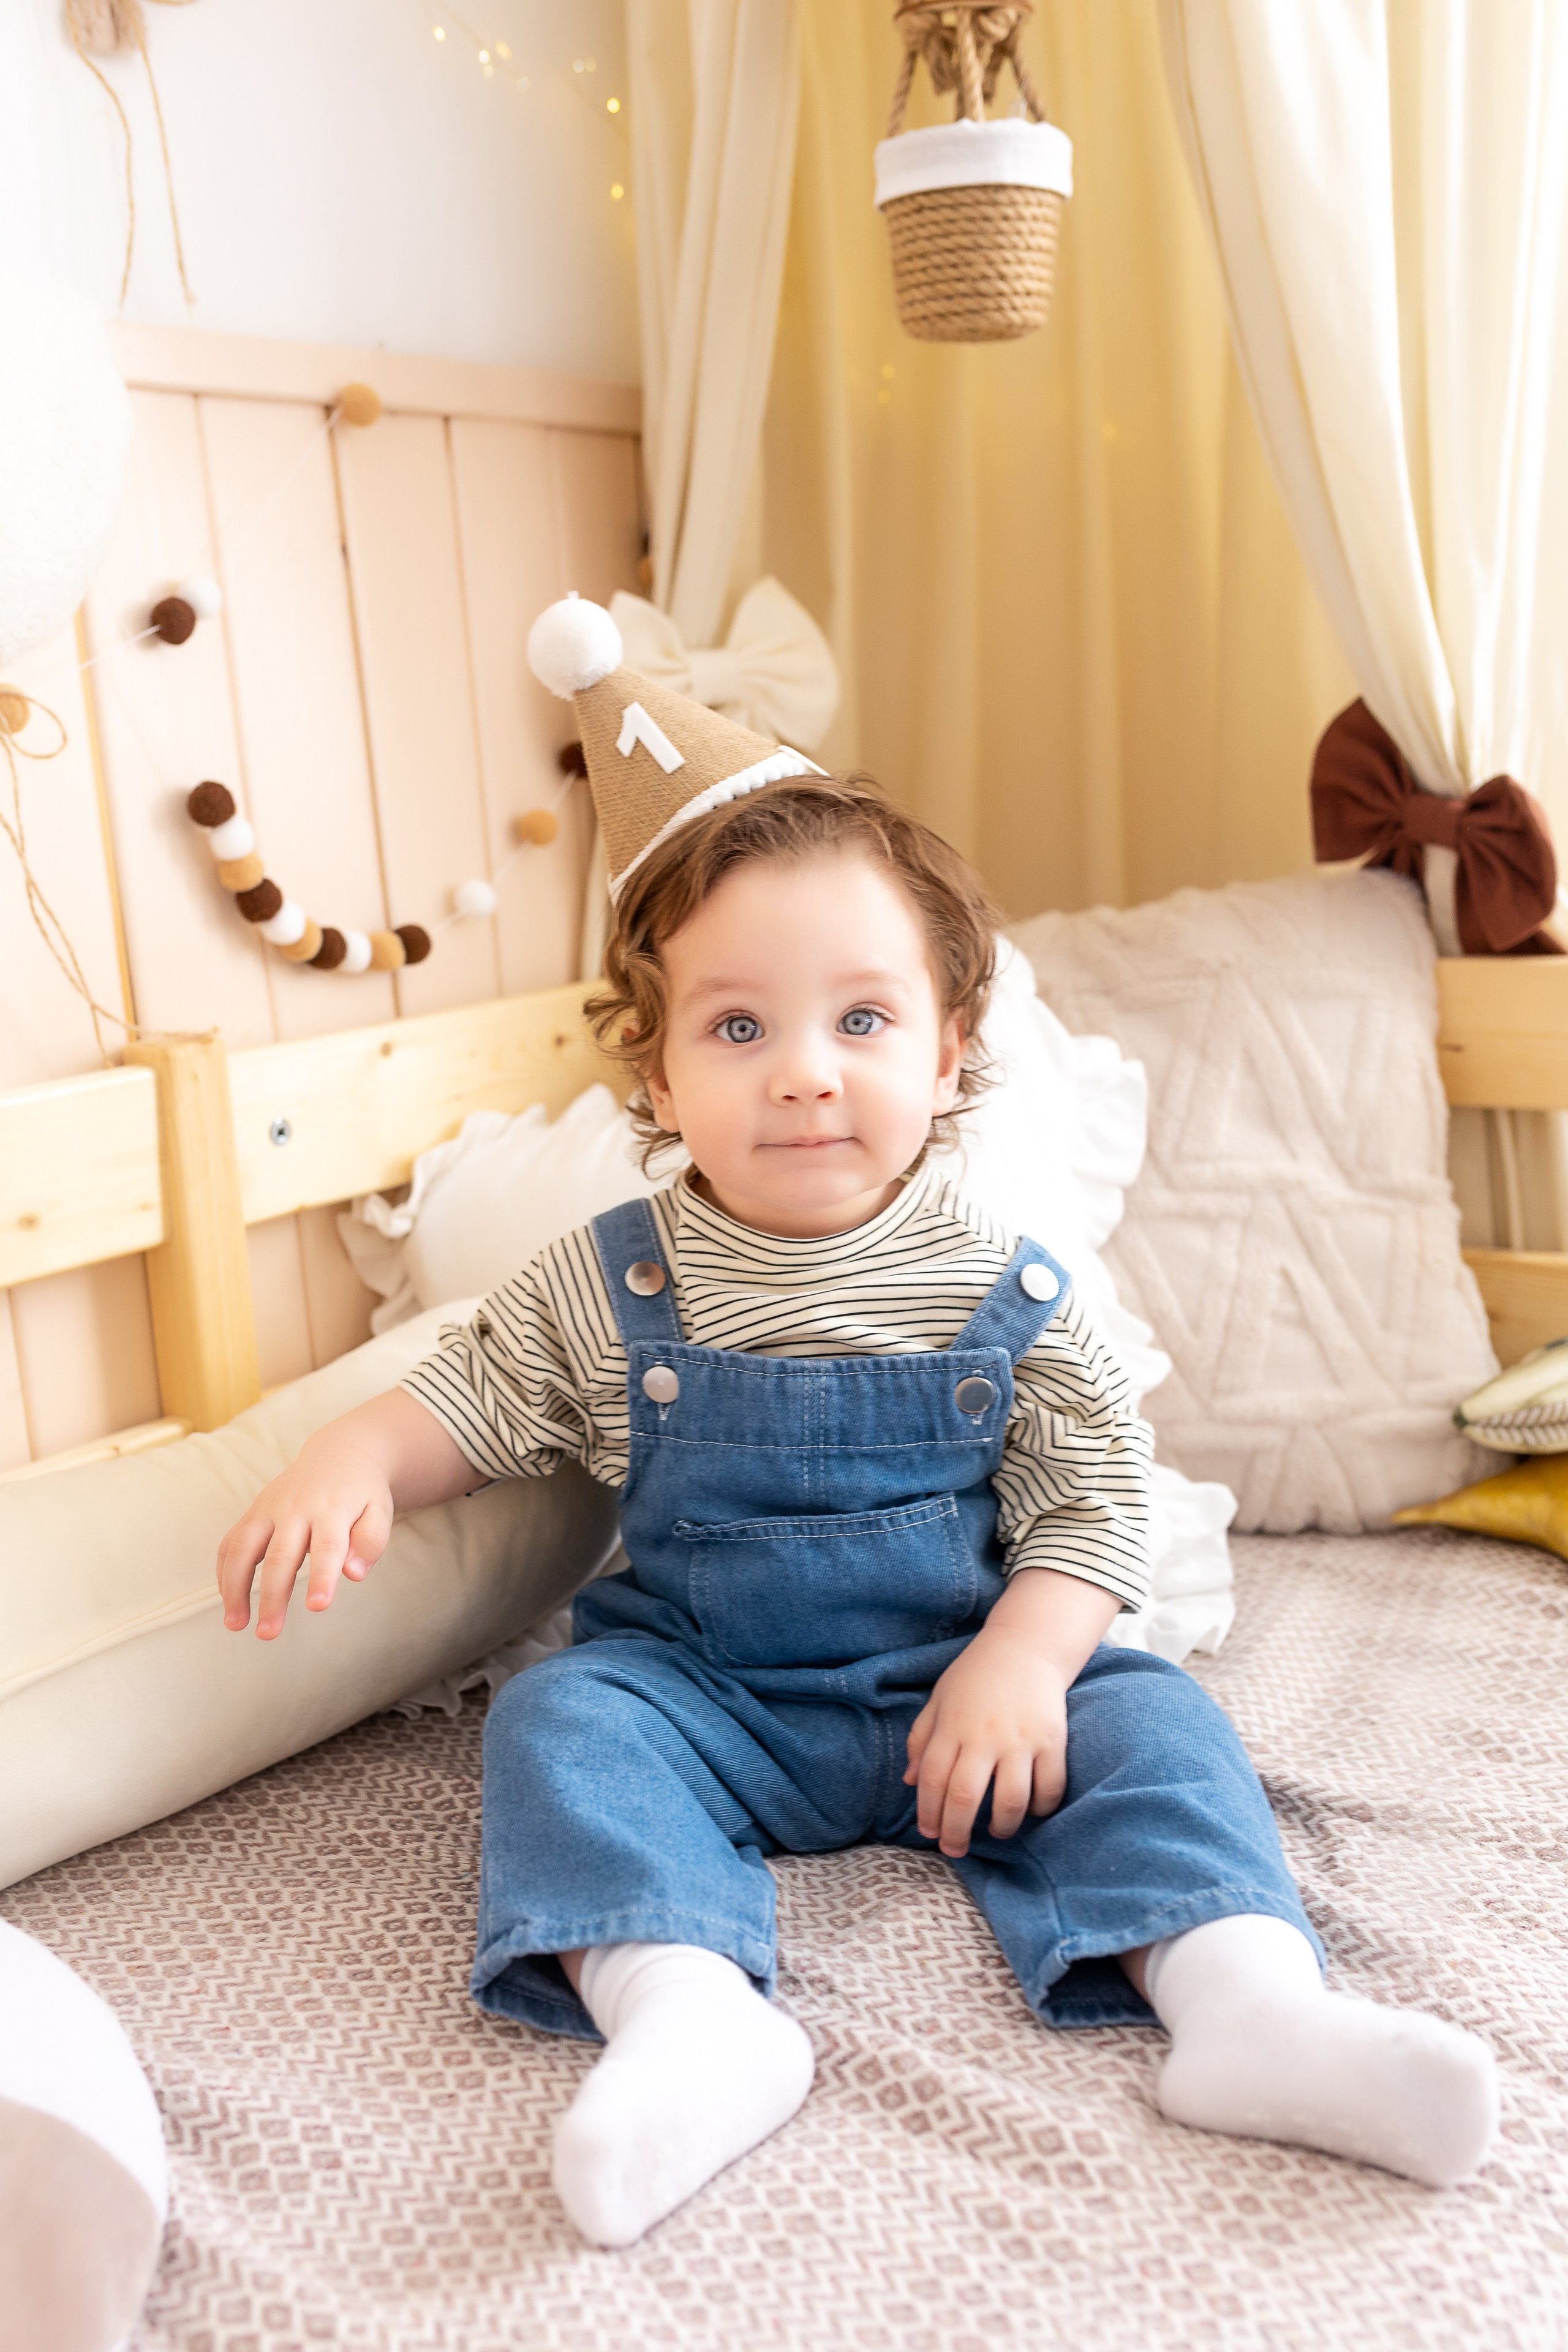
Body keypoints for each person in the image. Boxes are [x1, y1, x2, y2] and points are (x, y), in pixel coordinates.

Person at [217, 600, 1498, 2248]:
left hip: (970, 1698)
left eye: (863, 1021)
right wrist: (350, 1459)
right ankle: (686, 2012)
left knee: (1160, 1727)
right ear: (659, 1073)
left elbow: (1094, 1506)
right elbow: (472, 1404)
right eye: (739, 1027)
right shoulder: (618, 1280)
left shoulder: (1003, 1283)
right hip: (709, 1694)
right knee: (561, 1728)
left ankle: (1249, 2010)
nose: (806, 1073)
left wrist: (1029, 1659)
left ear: (953, 1050)